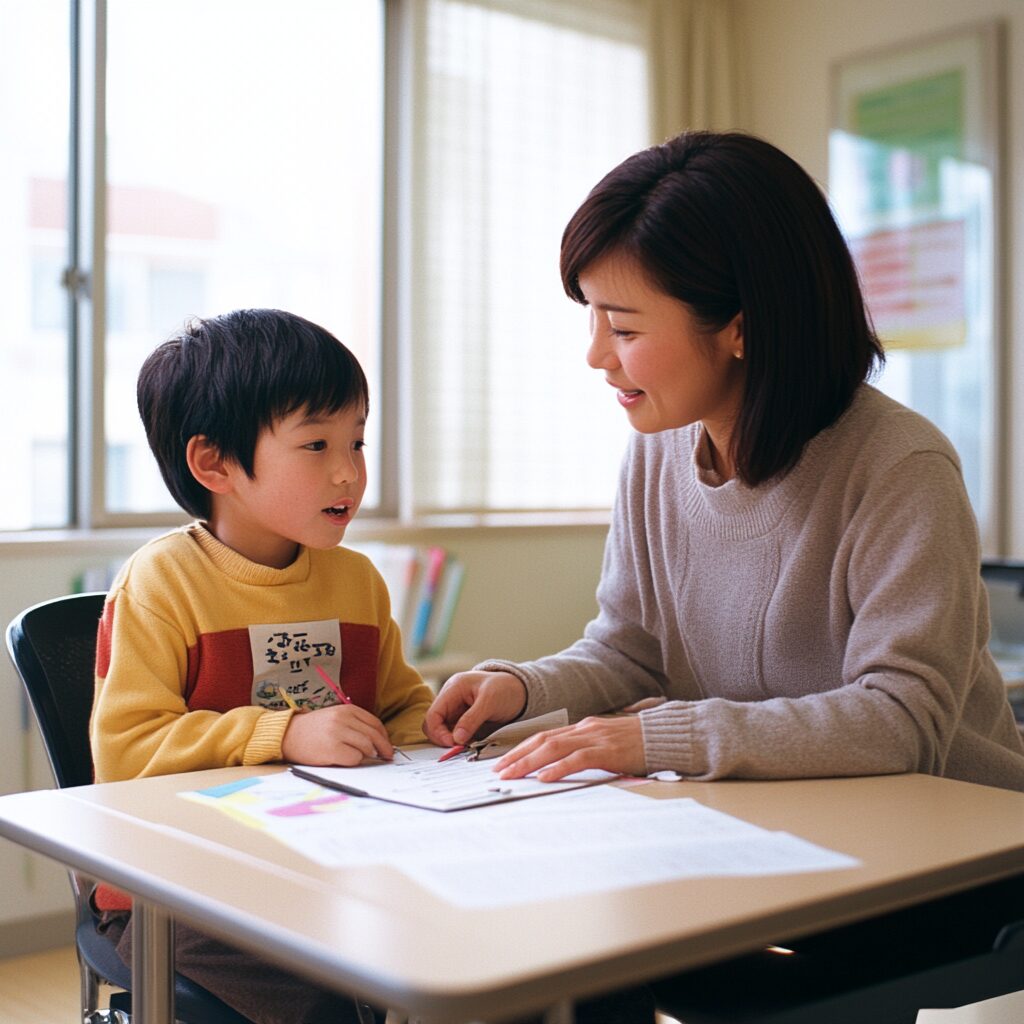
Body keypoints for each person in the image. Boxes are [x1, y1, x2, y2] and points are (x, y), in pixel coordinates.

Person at [424, 130, 1024, 796]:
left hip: (956, 836)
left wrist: (661, 737)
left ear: (742, 327)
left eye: (622, 327)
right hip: (788, 816)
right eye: (591, 319)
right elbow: (631, 653)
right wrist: (522, 687)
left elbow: (903, 718)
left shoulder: (899, 467)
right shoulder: (656, 449)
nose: (596, 354)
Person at [91, 308, 434, 1024]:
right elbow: (127, 753)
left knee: (455, 962)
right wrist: (285, 734)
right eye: (316, 444)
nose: (350, 471)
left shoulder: (357, 582)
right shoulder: (162, 583)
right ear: (213, 463)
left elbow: (401, 710)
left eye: (358, 441)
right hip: (183, 896)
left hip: (325, 870)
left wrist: (447, 726)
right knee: (329, 1000)